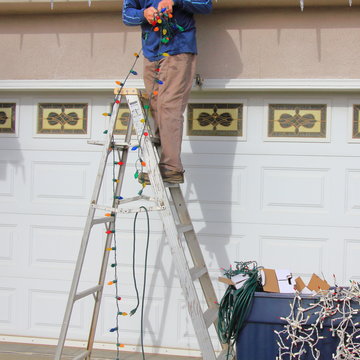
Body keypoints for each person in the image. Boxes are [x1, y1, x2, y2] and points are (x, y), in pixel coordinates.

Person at [122, 0, 212, 183]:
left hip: (178, 49)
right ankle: (159, 164)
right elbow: (127, 15)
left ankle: (171, 168)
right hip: (151, 53)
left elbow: (205, 4)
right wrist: (144, 14)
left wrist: (175, 1)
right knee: (155, 107)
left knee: (169, 105)